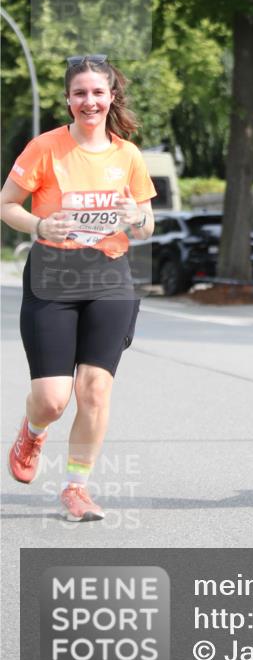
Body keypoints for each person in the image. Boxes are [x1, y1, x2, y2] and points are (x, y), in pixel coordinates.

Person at [1, 55, 156, 521]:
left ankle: (76, 487)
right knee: (52, 398)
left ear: (112, 97)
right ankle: (33, 430)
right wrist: (40, 224)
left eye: (98, 92)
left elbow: (146, 224)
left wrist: (136, 219)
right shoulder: (44, 148)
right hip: (53, 275)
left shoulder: (127, 155)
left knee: (94, 391)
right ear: (68, 100)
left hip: (109, 277)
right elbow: (7, 204)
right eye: (80, 93)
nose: (90, 101)